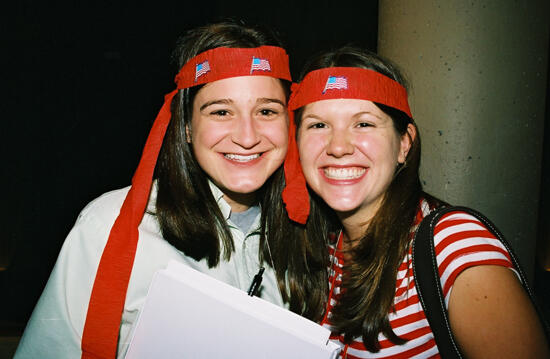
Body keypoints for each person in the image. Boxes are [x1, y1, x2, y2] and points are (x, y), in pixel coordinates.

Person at [15, 22, 326, 359]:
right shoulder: (112, 227)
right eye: (221, 111)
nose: (247, 136)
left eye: (266, 111)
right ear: (187, 127)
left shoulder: (317, 231)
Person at [283, 47, 550, 358]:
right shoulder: (323, 248)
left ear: (404, 144)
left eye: (364, 123)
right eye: (318, 125)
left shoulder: (452, 243)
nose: (338, 146)